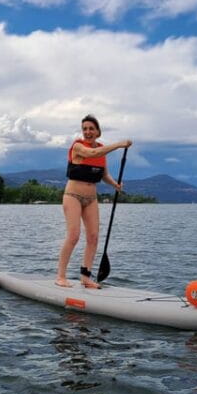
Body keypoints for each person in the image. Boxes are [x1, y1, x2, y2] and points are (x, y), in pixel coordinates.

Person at [55, 114, 132, 289]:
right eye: (85, 129)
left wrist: (115, 185)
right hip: (72, 196)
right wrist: (119, 144)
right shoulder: (78, 146)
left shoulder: (102, 150)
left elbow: (103, 174)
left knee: (93, 237)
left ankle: (85, 277)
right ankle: (60, 276)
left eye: (91, 129)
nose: (88, 132)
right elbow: (93, 153)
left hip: (91, 199)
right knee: (74, 236)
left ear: (98, 131)